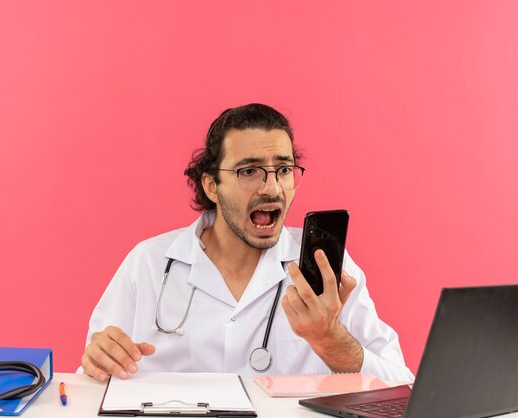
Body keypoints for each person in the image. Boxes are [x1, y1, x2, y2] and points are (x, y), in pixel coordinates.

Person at [82, 103, 414, 382]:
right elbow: (93, 374)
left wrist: (329, 339)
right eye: (249, 171)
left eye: (283, 169)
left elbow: (400, 385)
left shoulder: (328, 269)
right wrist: (99, 358)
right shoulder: (149, 263)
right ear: (212, 185)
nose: (272, 188)